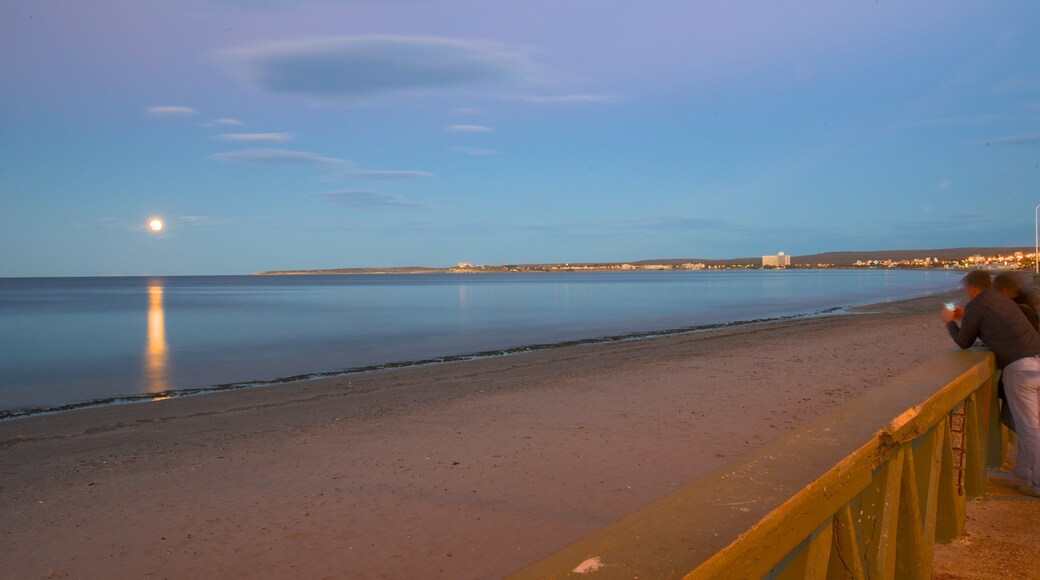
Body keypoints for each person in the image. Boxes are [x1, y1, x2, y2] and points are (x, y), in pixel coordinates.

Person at [942, 270, 1040, 498]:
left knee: (1029, 429)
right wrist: (965, 316)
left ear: (973, 289)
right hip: (1037, 361)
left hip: (1020, 369)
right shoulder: (1003, 302)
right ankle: (1023, 475)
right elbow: (996, 326)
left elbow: (964, 341)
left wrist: (950, 321)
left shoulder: (977, 305)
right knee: (1030, 426)